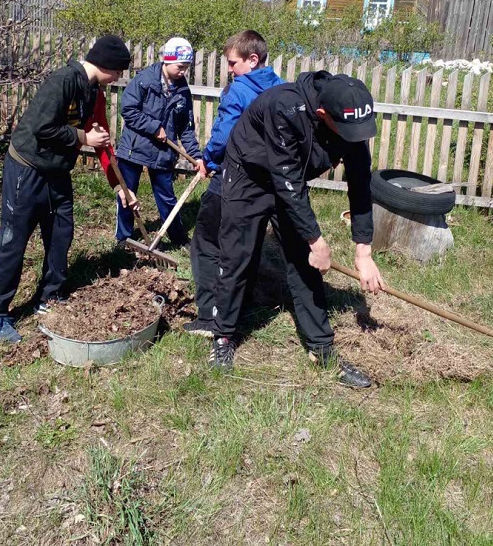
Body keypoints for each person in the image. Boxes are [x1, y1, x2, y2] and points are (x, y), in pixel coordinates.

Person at [211, 71, 385, 387]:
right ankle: (223, 335)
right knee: (238, 255)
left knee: (304, 265)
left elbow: (360, 182)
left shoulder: (348, 118)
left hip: (289, 181)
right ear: (322, 115)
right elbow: (286, 181)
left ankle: (321, 348)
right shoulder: (284, 106)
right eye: (347, 131)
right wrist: (317, 240)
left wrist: (364, 250)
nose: (353, 137)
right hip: (248, 176)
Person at [0, 35, 137, 344]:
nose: (118, 77)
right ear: (105, 64)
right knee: (13, 240)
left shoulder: (95, 93)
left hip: (57, 173)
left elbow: (102, 142)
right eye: (118, 71)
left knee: (61, 233)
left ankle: (49, 297)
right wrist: (82, 138)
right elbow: (42, 127)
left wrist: (119, 186)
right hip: (27, 169)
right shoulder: (63, 81)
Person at [185, 30, 284, 337]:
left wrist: (208, 159)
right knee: (248, 244)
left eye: (232, 63)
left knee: (208, 242)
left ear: (252, 60)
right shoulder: (281, 88)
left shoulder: (239, 89)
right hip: (268, 183)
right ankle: (242, 303)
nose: (229, 69)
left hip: (232, 177)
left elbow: (225, 134)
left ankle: (209, 316)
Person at [115, 37, 203, 248]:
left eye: (187, 67)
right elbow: (128, 110)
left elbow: (186, 129)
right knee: (127, 194)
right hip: (134, 148)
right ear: (167, 60)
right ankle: (123, 237)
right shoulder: (145, 80)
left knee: (166, 197)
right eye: (180, 66)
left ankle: (178, 239)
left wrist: (196, 156)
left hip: (163, 152)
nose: (183, 71)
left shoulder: (183, 91)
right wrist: (153, 127)